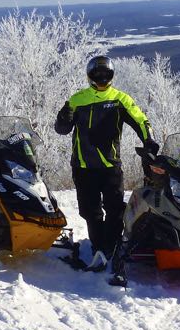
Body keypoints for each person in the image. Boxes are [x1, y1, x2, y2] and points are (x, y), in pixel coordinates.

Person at [55, 55, 158, 269]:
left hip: (110, 165)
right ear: (90, 76)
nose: (101, 77)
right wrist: (62, 117)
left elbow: (140, 119)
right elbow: (62, 130)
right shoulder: (77, 99)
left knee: (114, 209)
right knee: (89, 211)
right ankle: (98, 245)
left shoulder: (120, 99)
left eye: (105, 74)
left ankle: (111, 244)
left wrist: (148, 140)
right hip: (83, 166)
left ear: (111, 76)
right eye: (97, 74)